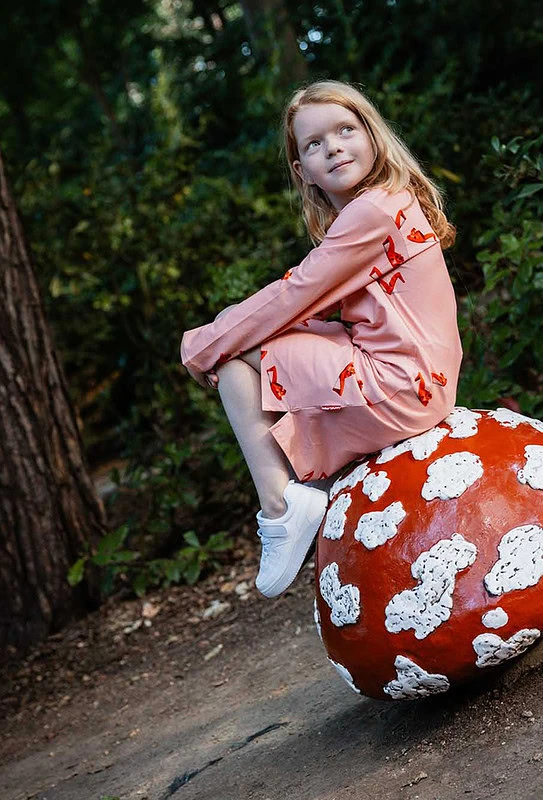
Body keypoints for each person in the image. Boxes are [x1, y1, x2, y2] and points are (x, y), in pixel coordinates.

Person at [180, 80, 462, 598]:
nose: (332, 147)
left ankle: (282, 504)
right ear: (300, 170)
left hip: (402, 384)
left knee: (235, 357)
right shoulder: (375, 207)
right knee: (246, 337)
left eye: (345, 131)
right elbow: (303, 308)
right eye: (313, 143)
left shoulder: (374, 211)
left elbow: (296, 294)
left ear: (373, 137)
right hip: (410, 376)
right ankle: (297, 494)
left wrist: (205, 342)